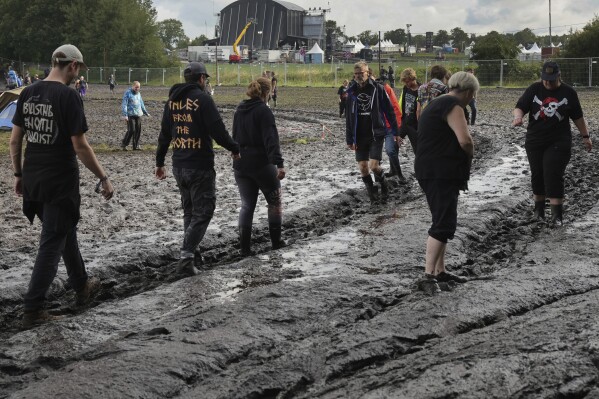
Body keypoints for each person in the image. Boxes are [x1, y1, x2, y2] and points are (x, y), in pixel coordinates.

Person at [9, 44, 113, 328]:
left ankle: (82, 286)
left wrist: (19, 175)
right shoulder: (68, 96)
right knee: (52, 240)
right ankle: (33, 308)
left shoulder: (28, 92)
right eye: (79, 70)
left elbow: (15, 140)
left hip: (33, 177)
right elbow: (80, 146)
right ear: (74, 66)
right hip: (59, 181)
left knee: (65, 230)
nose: (77, 76)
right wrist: (103, 177)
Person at [155, 62, 240, 276]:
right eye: (206, 79)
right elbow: (218, 130)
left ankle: (194, 255)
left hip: (178, 165)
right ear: (202, 79)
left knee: (190, 211)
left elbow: (165, 134)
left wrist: (159, 162)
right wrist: (234, 148)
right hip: (199, 165)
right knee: (204, 212)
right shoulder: (203, 99)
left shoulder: (172, 102)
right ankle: (186, 257)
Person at [415, 71, 478, 295]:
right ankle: (428, 275)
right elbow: (465, 140)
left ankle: (440, 271)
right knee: (443, 223)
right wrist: (471, 153)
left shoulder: (437, 102)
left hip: (428, 169)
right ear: (469, 92)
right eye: (473, 95)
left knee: (442, 219)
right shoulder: (454, 105)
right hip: (440, 171)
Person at [513, 61, 592, 225]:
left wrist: (585, 136)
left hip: (559, 140)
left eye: (551, 79)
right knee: (538, 174)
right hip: (534, 140)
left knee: (553, 173)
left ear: (559, 76)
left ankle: (557, 216)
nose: (548, 82)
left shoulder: (568, 92)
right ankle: (538, 212)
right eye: (545, 79)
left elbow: (578, 116)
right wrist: (518, 117)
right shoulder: (534, 89)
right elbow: (520, 106)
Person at [232, 77, 286, 256]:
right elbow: (271, 140)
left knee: (247, 205)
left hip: (241, 164)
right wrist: (279, 163)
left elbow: (234, 136)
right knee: (274, 201)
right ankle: (276, 242)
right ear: (267, 92)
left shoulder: (239, 108)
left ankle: (245, 249)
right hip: (261, 163)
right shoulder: (264, 111)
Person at [345, 61, 400, 203]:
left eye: (361, 73)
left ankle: (384, 185)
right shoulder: (351, 92)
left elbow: (389, 111)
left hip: (375, 134)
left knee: (374, 166)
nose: (358, 76)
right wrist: (349, 139)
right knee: (363, 168)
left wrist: (396, 132)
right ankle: (372, 194)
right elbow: (349, 118)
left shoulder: (378, 89)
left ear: (367, 73)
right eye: (356, 74)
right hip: (359, 135)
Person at [370, 67, 406, 183]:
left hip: (388, 127)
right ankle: (378, 181)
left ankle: (399, 173)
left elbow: (394, 108)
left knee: (390, 150)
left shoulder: (385, 89)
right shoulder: (362, 92)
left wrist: (397, 127)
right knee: (375, 157)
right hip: (374, 129)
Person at [121, 81, 150, 150]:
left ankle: (136, 146)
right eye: (136, 87)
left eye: (138, 87)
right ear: (133, 86)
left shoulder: (138, 94)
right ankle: (124, 144)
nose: (137, 88)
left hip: (138, 114)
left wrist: (145, 112)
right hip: (130, 115)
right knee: (131, 130)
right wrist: (125, 115)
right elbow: (124, 104)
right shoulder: (128, 93)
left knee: (138, 130)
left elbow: (141, 103)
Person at [398, 68, 421, 153]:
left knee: (417, 150)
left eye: (407, 81)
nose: (406, 84)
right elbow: (401, 103)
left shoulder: (421, 90)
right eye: (405, 82)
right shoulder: (405, 88)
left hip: (415, 125)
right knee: (393, 144)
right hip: (404, 122)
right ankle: (395, 166)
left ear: (413, 78)